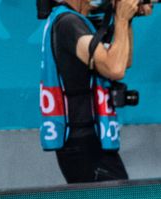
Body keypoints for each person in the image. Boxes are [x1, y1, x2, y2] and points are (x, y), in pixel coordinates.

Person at [39, 0, 149, 183]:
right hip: (83, 142)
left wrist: (126, 19)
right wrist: (120, 18)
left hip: (86, 142)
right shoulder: (68, 23)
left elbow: (121, 61)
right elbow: (114, 69)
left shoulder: (73, 21)